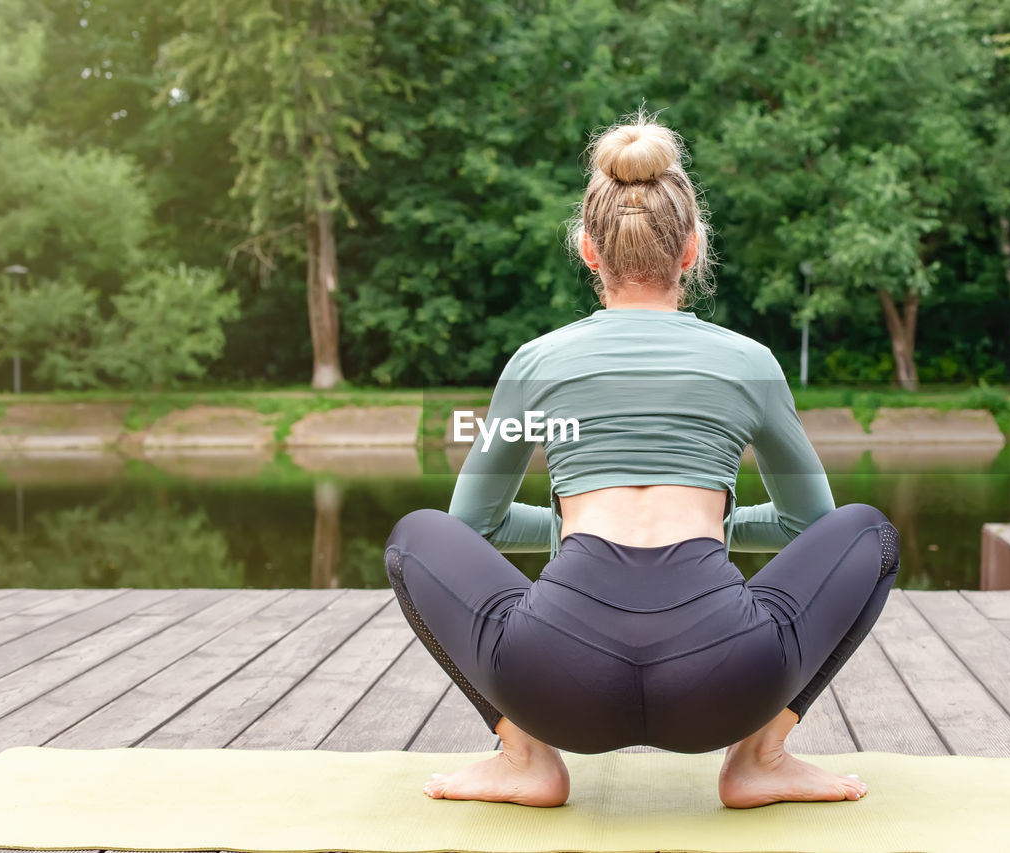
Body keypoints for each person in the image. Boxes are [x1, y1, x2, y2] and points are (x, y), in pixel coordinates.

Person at [383, 110, 901, 809]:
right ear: (691, 251)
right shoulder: (749, 362)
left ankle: (526, 756)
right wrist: (716, 526)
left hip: (556, 684)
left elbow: (471, 526)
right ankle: (758, 757)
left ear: (590, 252)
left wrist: (571, 529)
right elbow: (814, 525)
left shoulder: (537, 363)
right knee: (871, 534)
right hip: (724, 683)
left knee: (415, 537)